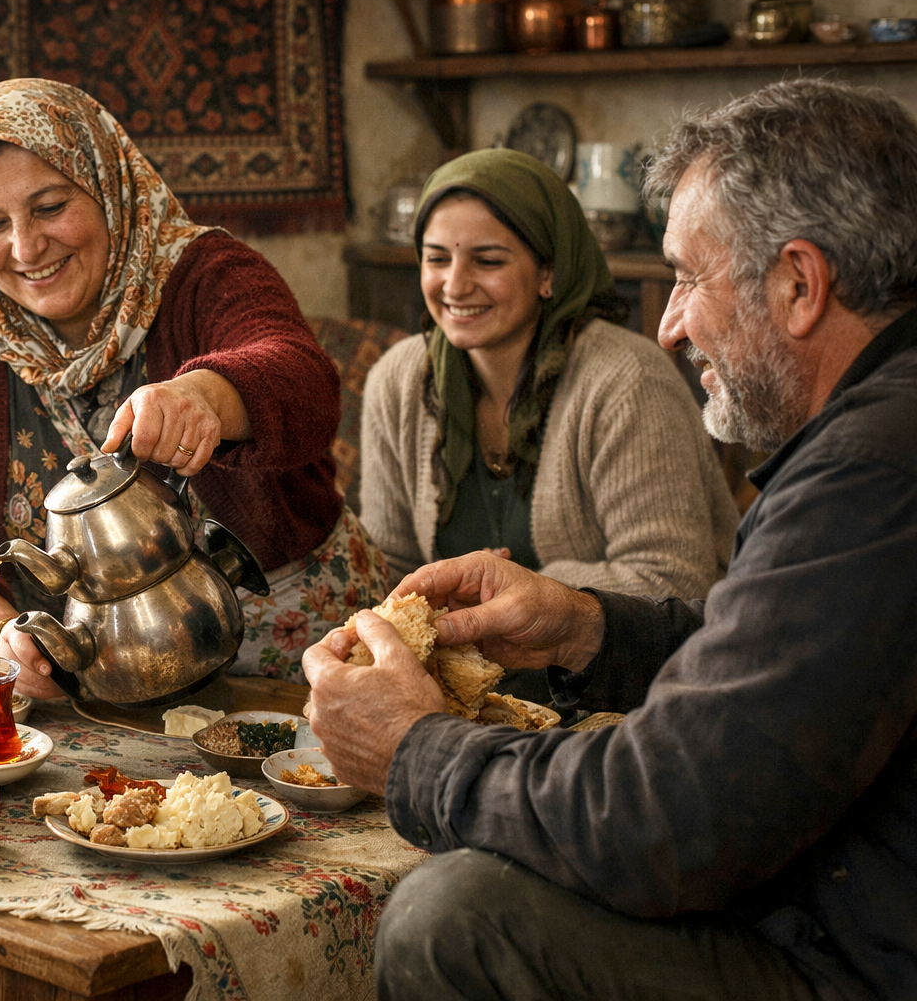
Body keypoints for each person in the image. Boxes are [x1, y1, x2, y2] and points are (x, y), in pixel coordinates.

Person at [304, 78, 917, 1001]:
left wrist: (414, 750)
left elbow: (669, 819)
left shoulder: (873, 471)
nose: (670, 326)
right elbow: (784, 674)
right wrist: (588, 629)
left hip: (860, 956)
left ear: (799, 282)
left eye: (687, 277)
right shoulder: (875, 429)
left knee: (453, 919)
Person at [0, 78, 389, 698]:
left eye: (50, 207)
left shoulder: (205, 273)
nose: (26, 246)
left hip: (301, 658)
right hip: (97, 680)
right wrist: (3, 637)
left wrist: (204, 397)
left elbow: (303, 379)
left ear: (108, 185)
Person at [359, 149, 736, 705]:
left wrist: (534, 593)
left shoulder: (625, 381)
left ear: (548, 274)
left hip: (630, 697)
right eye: (436, 259)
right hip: (474, 705)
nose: (455, 285)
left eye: (487, 261)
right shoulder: (398, 381)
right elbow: (389, 567)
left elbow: (676, 586)